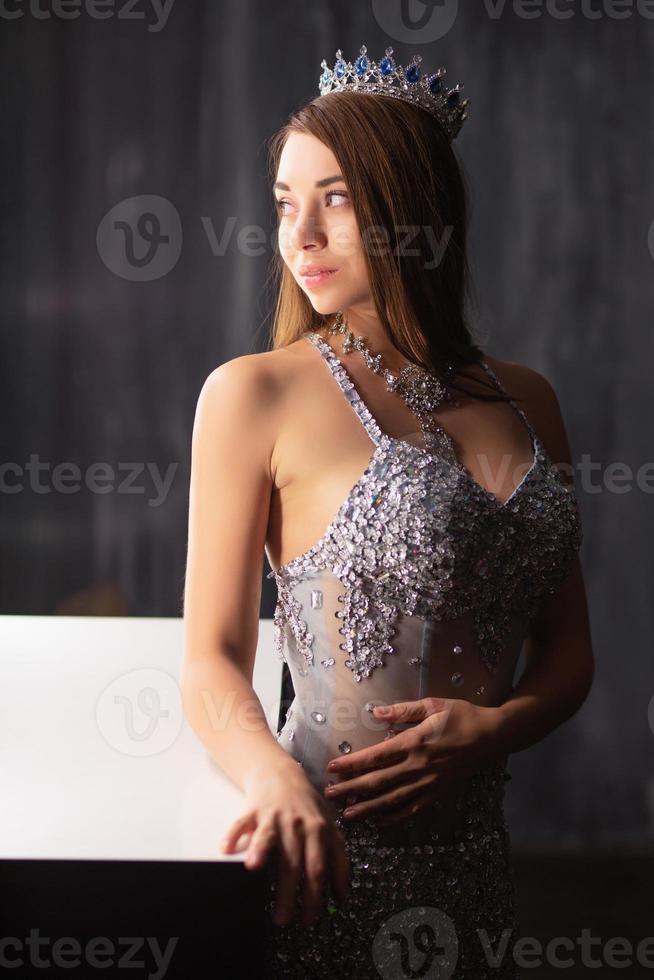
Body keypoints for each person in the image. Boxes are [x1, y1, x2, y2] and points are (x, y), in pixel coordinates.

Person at [181, 44, 594, 980]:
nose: (303, 237)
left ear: (417, 211)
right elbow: (207, 658)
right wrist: (271, 778)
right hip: (322, 858)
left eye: (336, 198)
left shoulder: (530, 399)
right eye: (286, 205)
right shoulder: (255, 394)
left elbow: (572, 655)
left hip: (478, 872)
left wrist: (500, 728)